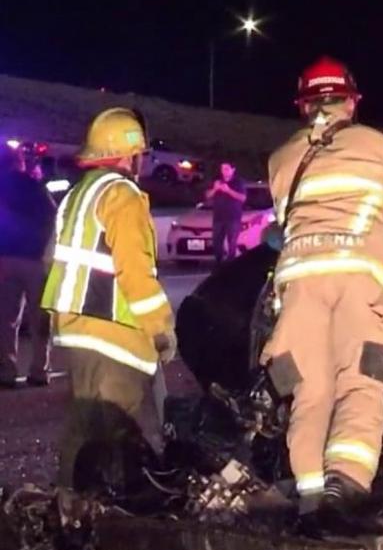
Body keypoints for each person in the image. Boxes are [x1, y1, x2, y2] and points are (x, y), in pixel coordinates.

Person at [263, 56, 383, 531]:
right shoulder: (376, 145)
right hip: (359, 281)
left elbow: (288, 220)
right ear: (351, 101)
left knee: (310, 392)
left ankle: (310, 505)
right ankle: (344, 489)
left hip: (299, 283)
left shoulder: (283, 157)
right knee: (362, 384)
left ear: (304, 106)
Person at [40, 108, 176, 488]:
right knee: (118, 430)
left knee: (84, 427)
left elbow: (50, 257)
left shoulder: (76, 194)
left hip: (74, 329)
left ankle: (69, 510)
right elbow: (136, 271)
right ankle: (115, 518)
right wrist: (161, 329)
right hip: (114, 333)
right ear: (129, 154)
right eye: (141, 154)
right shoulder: (123, 194)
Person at [0, 147, 56, 387]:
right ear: (19, 162)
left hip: (5, 260)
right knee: (39, 318)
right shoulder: (35, 187)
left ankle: (6, 371)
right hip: (34, 261)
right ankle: (39, 370)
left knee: (6, 319)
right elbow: (53, 216)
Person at [205, 161, 247, 264]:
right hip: (218, 218)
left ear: (233, 170)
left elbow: (242, 198)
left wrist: (228, 191)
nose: (224, 171)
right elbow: (207, 196)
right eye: (222, 169)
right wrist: (215, 189)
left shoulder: (238, 182)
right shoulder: (217, 181)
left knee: (232, 243)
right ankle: (218, 262)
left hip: (233, 218)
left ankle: (230, 263)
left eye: (227, 169)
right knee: (216, 242)